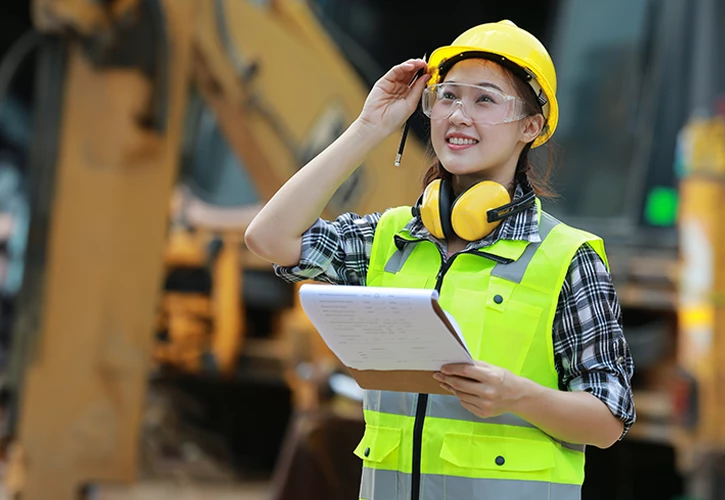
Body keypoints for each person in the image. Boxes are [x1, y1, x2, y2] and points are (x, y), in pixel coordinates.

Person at [244, 20, 635, 500]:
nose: (458, 115)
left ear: (530, 127)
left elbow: (608, 421)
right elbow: (269, 237)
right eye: (448, 96)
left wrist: (517, 396)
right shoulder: (392, 237)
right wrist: (370, 127)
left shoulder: (566, 257)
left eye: (485, 100)